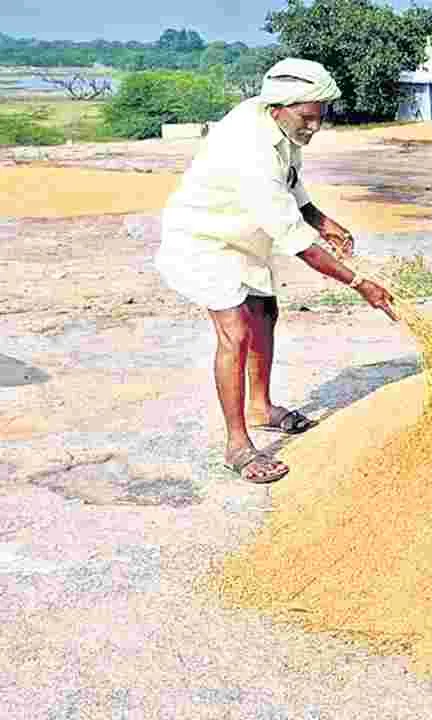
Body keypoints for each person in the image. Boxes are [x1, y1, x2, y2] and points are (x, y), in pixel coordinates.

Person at [155, 58, 397, 484]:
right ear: (279, 108)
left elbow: (292, 182)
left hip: (243, 235)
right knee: (236, 331)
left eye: (319, 117)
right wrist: (361, 284)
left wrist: (323, 220)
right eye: (308, 118)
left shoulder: (282, 123)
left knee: (265, 312)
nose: (314, 127)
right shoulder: (248, 149)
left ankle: (261, 407)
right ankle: (237, 445)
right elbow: (296, 241)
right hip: (204, 239)